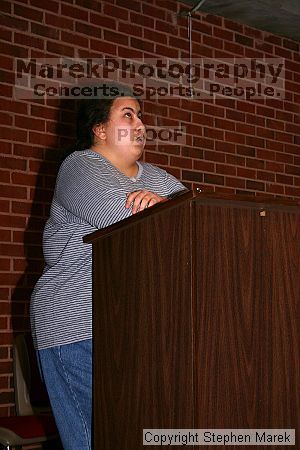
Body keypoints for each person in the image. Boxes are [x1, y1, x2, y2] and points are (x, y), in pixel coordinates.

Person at [30, 83, 186, 450]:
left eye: (141, 115)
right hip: (75, 327)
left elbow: (194, 223)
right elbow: (122, 216)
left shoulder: (155, 177)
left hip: (125, 327)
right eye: (127, 115)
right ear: (99, 129)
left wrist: (163, 204)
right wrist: (168, 208)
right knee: (96, 440)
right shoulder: (79, 166)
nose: (141, 123)